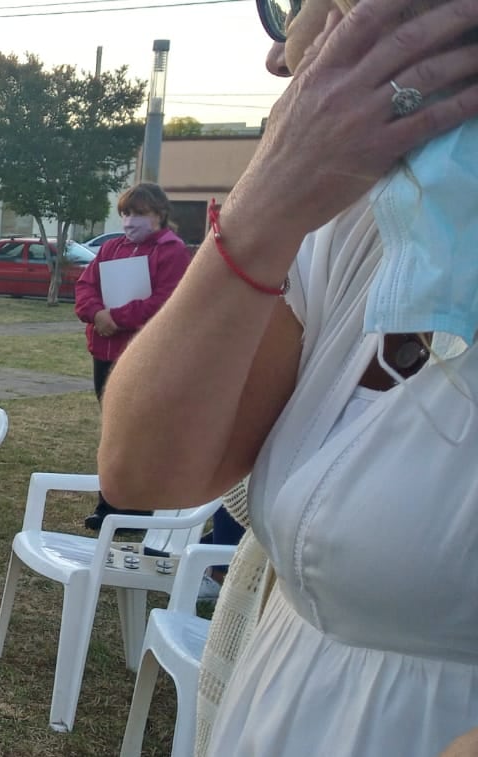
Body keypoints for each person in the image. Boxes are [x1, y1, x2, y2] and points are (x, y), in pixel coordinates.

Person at [96, 0, 478, 754]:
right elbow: (144, 469)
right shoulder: (360, 217)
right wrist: (266, 199)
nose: (280, 56)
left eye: (299, 6)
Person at [73, 182, 191, 529]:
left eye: (138, 214)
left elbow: (166, 302)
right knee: (112, 429)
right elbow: (85, 287)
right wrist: (97, 315)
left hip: (142, 354)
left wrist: (118, 318)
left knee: (138, 430)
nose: (129, 221)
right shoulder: (111, 248)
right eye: (125, 213)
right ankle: (108, 505)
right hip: (105, 350)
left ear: (159, 214)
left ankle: (137, 510)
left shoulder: (172, 251)